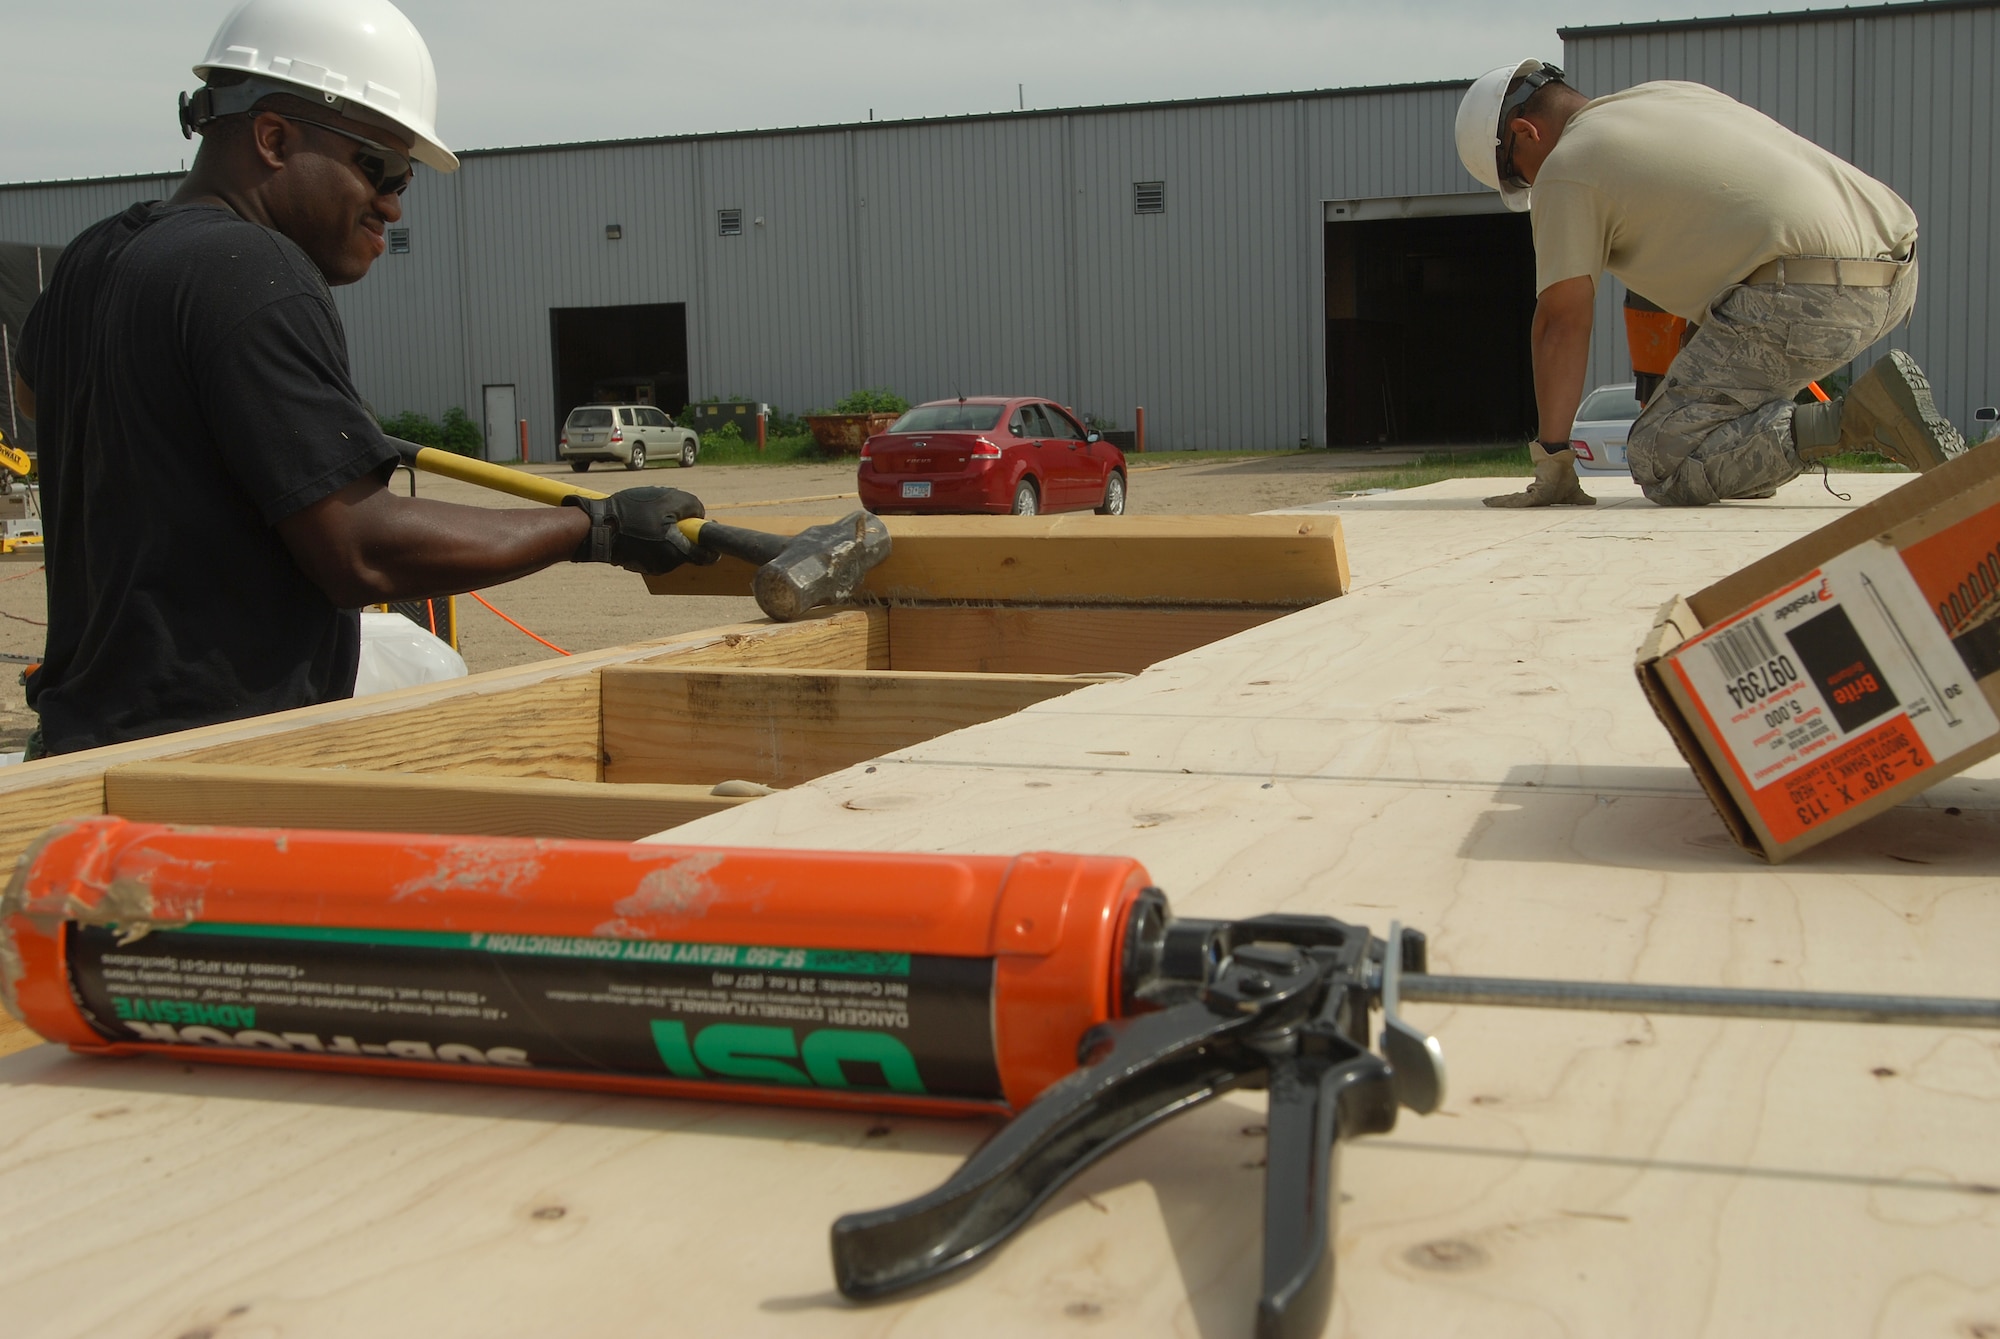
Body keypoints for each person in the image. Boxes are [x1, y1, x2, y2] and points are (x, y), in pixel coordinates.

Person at [12, 0, 706, 757]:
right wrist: (597, 528)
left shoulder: (93, 258)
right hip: (206, 773)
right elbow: (361, 550)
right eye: (376, 168)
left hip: (77, 756)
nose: (395, 203)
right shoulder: (252, 272)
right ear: (273, 138)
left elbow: (35, 396)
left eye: (405, 176)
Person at [1454, 61, 1965, 509]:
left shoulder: (1568, 167)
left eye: (1518, 178)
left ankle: (1858, 419)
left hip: (1810, 295)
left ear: (1526, 132)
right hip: (1894, 269)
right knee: (1721, 452)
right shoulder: (1664, 96)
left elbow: (1560, 322)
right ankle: (1774, 442)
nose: (1530, 189)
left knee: (1659, 460)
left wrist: (1555, 463)